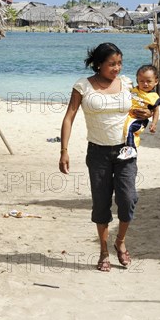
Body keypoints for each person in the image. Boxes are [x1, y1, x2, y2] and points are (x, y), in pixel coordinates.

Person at [59, 43, 153, 272]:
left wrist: (148, 114)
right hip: (98, 152)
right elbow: (69, 117)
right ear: (98, 64)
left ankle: (119, 241)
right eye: (112, 64)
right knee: (101, 204)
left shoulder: (128, 83)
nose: (117, 68)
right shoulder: (83, 86)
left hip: (126, 150)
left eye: (119, 63)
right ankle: (103, 251)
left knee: (128, 198)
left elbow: (143, 110)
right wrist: (64, 150)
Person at [118, 65, 160, 160]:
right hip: (129, 116)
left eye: (149, 81)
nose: (145, 84)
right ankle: (130, 146)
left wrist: (154, 124)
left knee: (128, 128)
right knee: (126, 130)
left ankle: (131, 150)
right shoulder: (134, 90)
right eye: (141, 81)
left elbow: (156, 111)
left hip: (139, 120)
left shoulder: (153, 97)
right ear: (137, 81)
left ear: (156, 82)